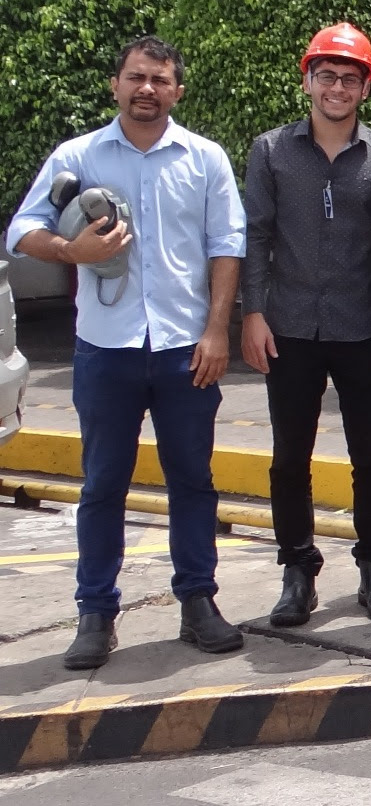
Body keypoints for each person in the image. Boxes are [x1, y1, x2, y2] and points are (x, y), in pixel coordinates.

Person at [8, 35, 247, 669]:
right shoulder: (78, 157)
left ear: (178, 91)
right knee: (103, 483)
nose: (147, 89)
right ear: (115, 84)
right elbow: (21, 230)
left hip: (184, 350)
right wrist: (69, 252)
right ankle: (95, 613)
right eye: (136, 77)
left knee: (193, 481)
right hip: (105, 349)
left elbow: (227, 247)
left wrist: (218, 331)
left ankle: (198, 602)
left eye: (161, 80)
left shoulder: (205, 159)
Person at [241, 23, 371, 627]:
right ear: (307, 80)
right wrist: (252, 312)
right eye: (327, 76)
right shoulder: (271, 152)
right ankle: (296, 569)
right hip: (288, 327)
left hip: (364, 326)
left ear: (366, 86)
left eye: (350, 77)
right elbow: (255, 235)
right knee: (291, 456)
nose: (337, 87)